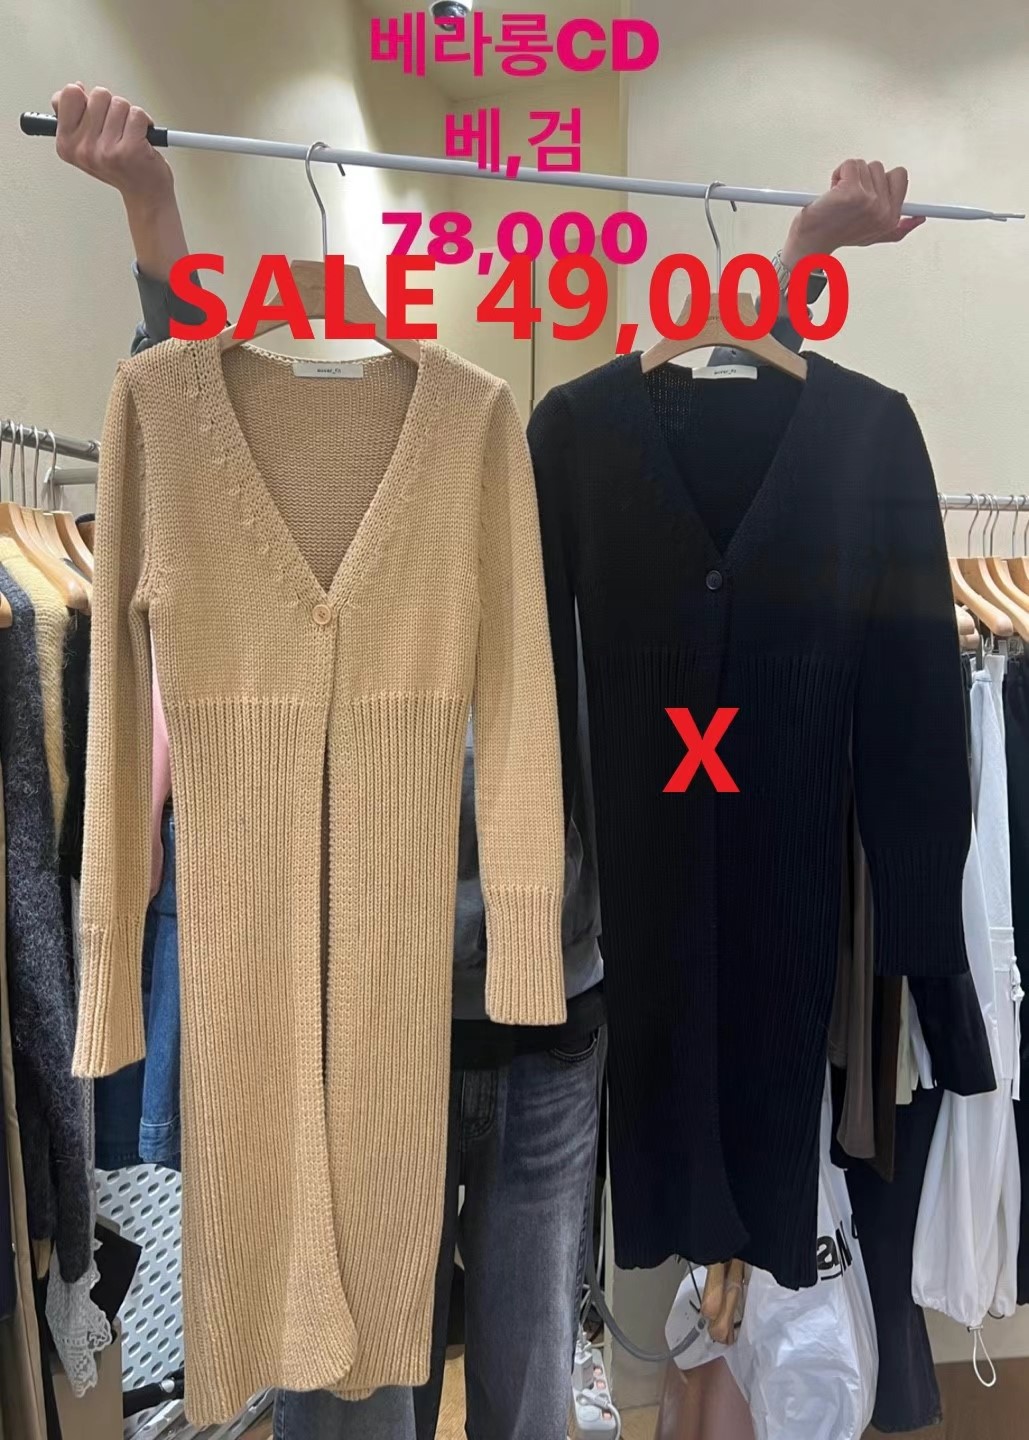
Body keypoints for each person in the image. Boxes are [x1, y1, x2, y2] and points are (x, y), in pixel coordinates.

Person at [51, 81, 924, 1440]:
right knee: (346, 1387)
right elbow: (190, 424)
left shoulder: (504, 451)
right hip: (346, 1025)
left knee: (524, 1384)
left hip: (547, 1018)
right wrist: (154, 217)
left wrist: (800, 256)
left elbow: (735, 431)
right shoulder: (242, 467)